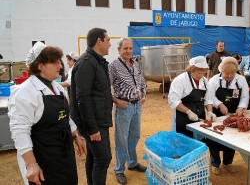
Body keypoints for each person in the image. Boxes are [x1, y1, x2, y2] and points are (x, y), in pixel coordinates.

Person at [8, 41, 86, 185]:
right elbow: (19, 131)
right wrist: (31, 164)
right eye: (55, 62)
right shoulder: (25, 93)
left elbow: (65, 117)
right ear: (40, 66)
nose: (61, 66)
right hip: (43, 158)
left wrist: (75, 135)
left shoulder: (58, 88)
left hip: (63, 154)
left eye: (60, 62)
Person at [70, 28, 113, 185]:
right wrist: (92, 128)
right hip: (94, 123)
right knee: (103, 158)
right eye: (108, 40)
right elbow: (83, 98)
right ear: (99, 41)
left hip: (99, 119)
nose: (110, 44)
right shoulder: (87, 63)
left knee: (94, 157)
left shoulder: (97, 61)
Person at [108, 38, 147, 185]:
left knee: (134, 136)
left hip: (137, 106)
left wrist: (144, 95)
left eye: (130, 48)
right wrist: (116, 101)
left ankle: (132, 163)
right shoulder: (113, 66)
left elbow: (142, 81)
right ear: (119, 50)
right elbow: (106, 86)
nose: (128, 51)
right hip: (123, 107)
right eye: (125, 48)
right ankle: (119, 169)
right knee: (121, 139)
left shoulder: (136, 64)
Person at [206, 57, 249, 175]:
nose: (229, 76)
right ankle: (215, 164)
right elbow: (209, 96)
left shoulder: (241, 80)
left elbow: (245, 96)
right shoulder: (214, 79)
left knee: (232, 139)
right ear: (221, 71)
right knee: (214, 138)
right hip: (218, 114)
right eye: (226, 74)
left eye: (232, 73)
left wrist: (241, 107)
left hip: (234, 113)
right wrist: (220, 104)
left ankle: (228, 162)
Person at [168, 56, 217, 138]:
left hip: (199, 117)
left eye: (203, 73)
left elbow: (208, 99)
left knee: (198, 142)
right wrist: (188, 112)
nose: (201, 76)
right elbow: (174, 101)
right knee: (182, 143)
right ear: (192, 70)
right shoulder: (180, 80)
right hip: (182, 118)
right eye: (199, 73)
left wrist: (210, 111)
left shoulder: (205, 81)